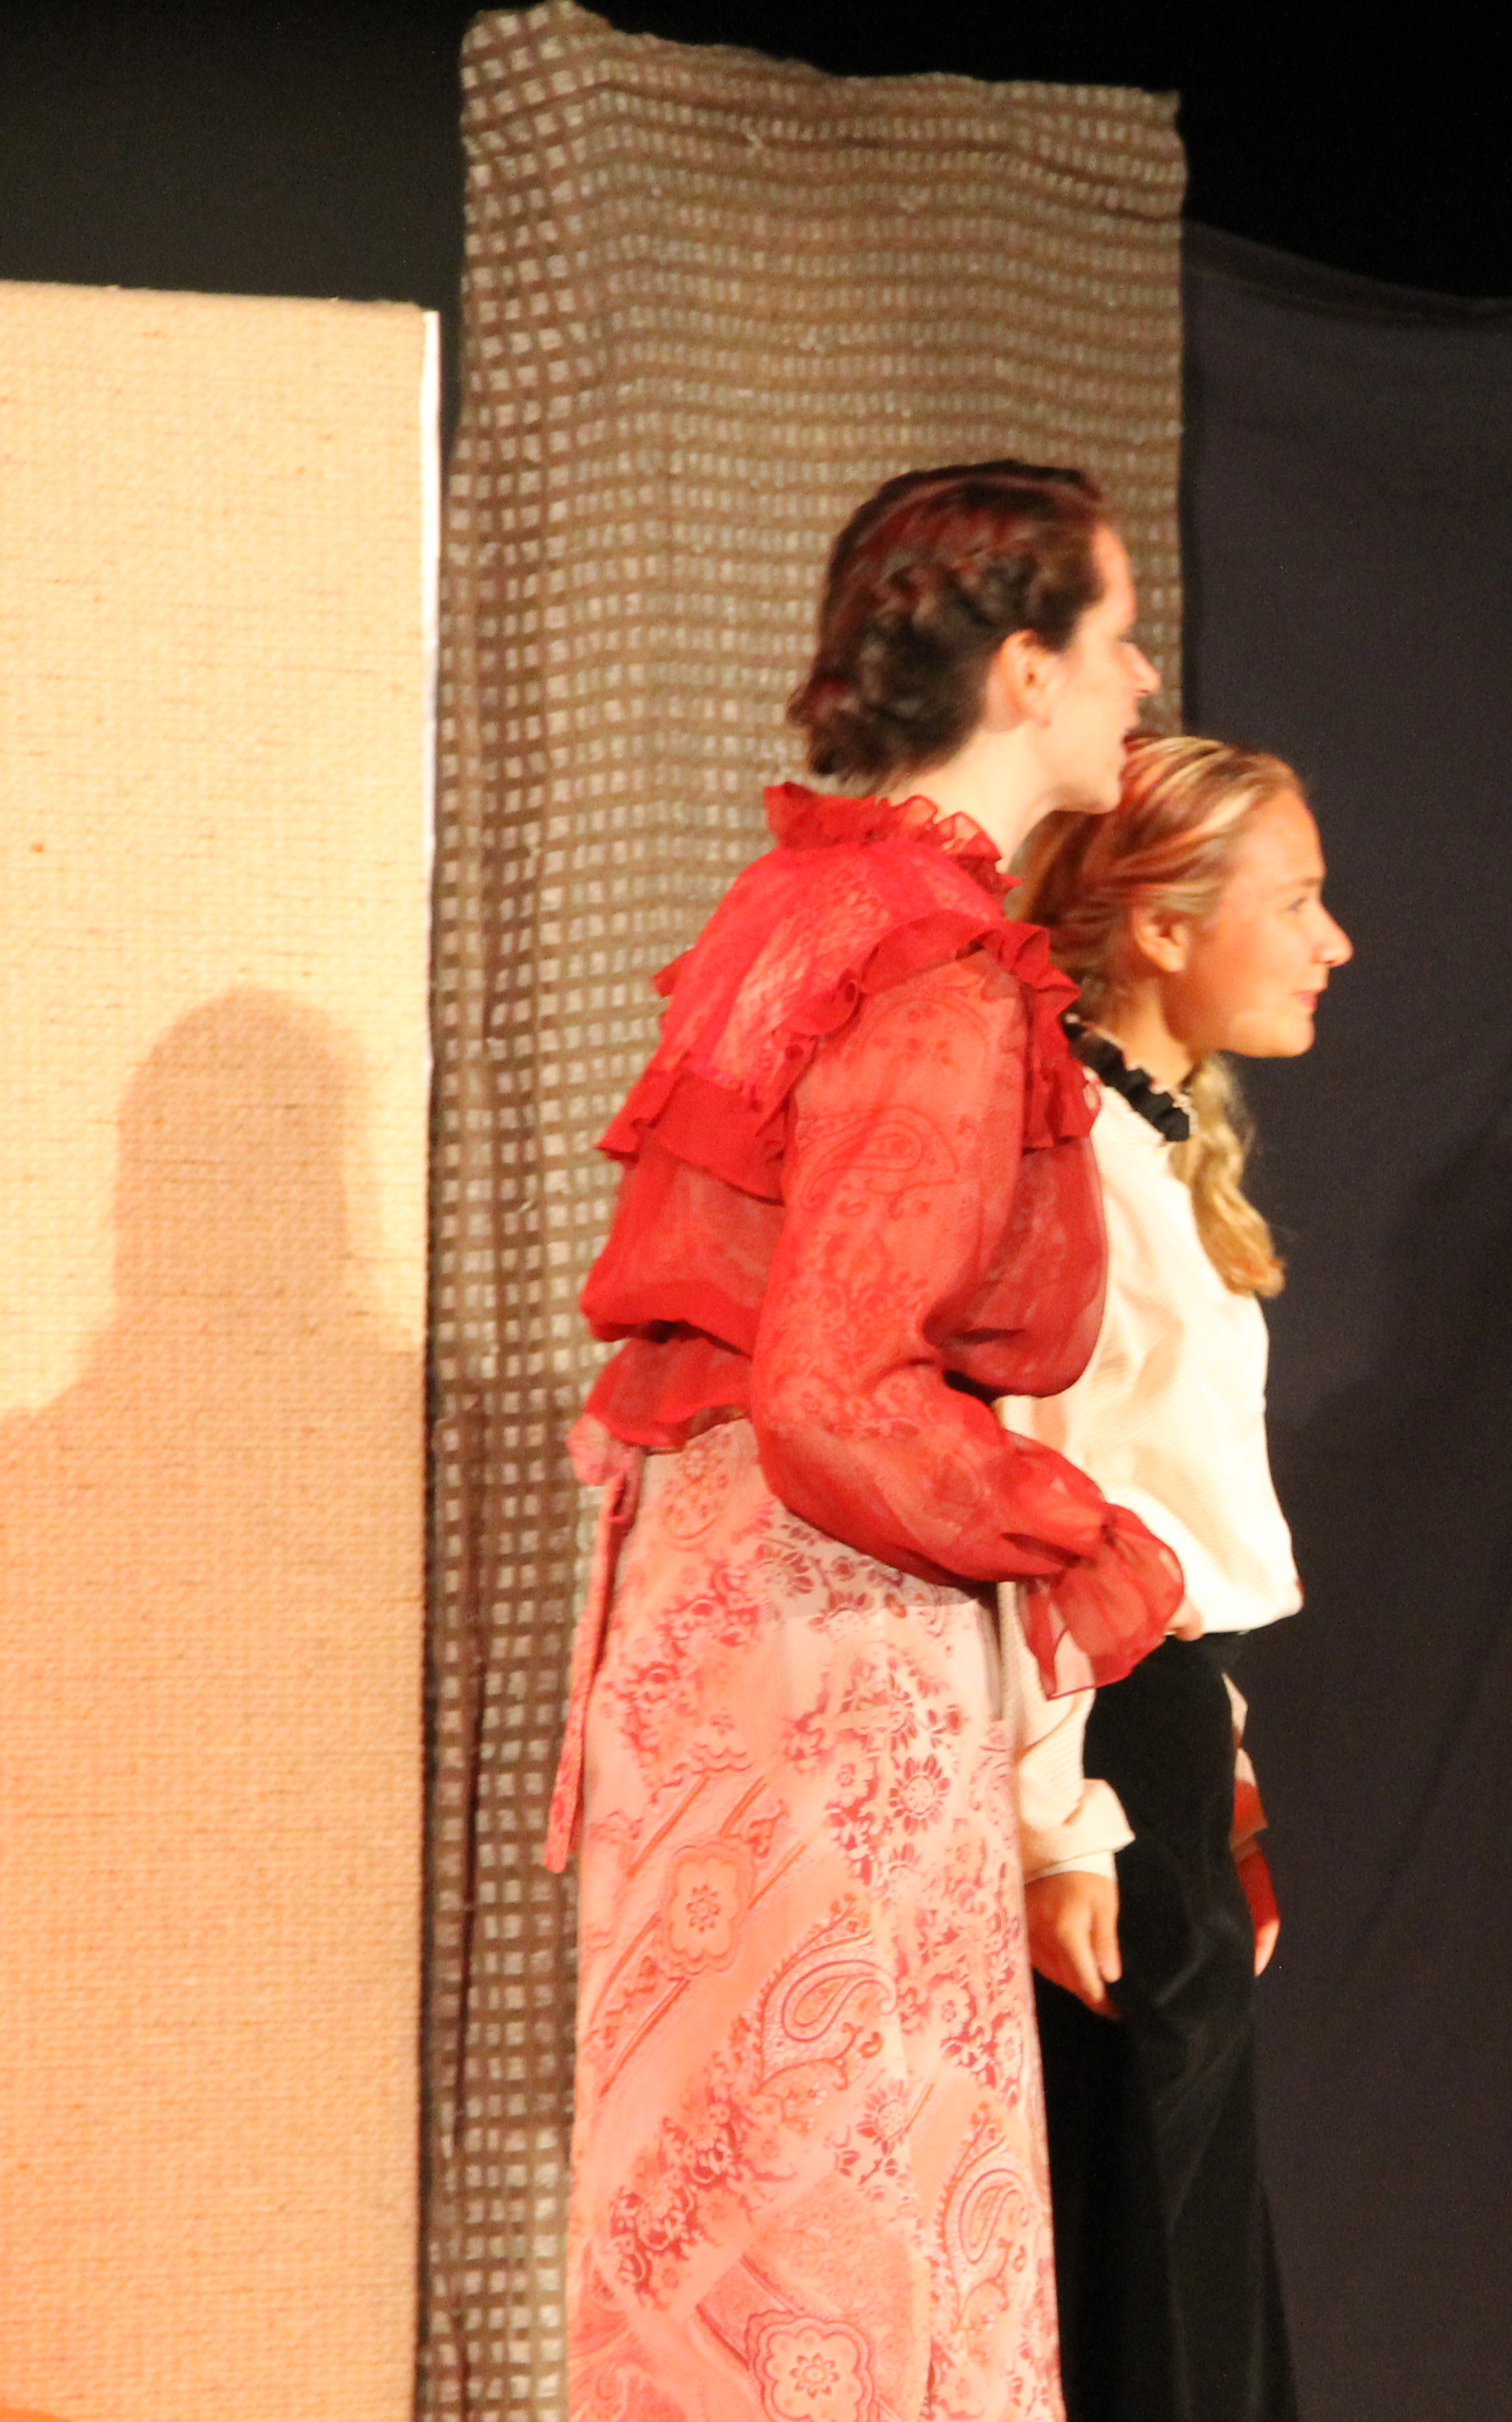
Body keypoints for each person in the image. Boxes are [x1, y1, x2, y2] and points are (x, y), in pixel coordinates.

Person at [543, 461, 1186, 2422]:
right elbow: (837, 1389)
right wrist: (1079, 1529)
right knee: (839, 2186)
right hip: (825, 1624)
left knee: (735, 2160)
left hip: (713, 1602)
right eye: (1117, 637)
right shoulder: (925, 955)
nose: (1143, 678)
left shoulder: (799, 904)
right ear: (1025, 669)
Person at [1005, 733, 1351, 2422]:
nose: (1331, 942)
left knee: (1194, 2241)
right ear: (1158, 927)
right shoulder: (1072, 1155)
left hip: (1159, 1725)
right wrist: (1058, 1822)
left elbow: (1156, 1516)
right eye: (1296, 902)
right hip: (1100, 1746)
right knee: (1142, 2241)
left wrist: (1219, 1760)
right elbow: (1028, 1498)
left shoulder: (1145, 1146)